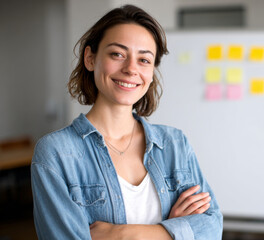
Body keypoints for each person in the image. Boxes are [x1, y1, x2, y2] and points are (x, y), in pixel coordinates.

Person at [31, 4, 223, 240]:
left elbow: (212, 227)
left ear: (152, 72)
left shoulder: (175, 144)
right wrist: (175, 231)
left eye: (144, 60)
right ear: (90, 59)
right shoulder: (56, 153)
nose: (131, 69)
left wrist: (123, 234)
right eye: (117, 54)